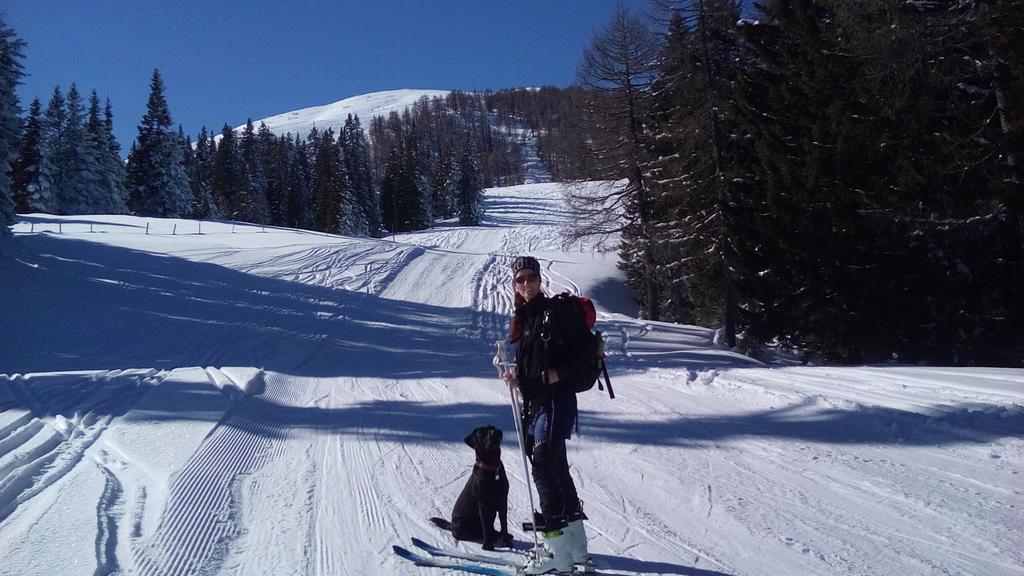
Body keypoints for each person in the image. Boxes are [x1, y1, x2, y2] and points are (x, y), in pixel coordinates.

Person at [502, 256, 590, 575]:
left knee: (543, 469)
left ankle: (556, 552)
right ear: (514, 284)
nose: (525, 283)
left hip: (555, 400)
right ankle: (576, 548)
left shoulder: (555, 312)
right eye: (520, 279)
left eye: (530, 277)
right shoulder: (525, 317)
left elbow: (586, 354)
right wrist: (516, 378)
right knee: (557, 469)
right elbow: (533, 367)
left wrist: (560, 372)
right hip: (538, 402)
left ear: (540, 279)